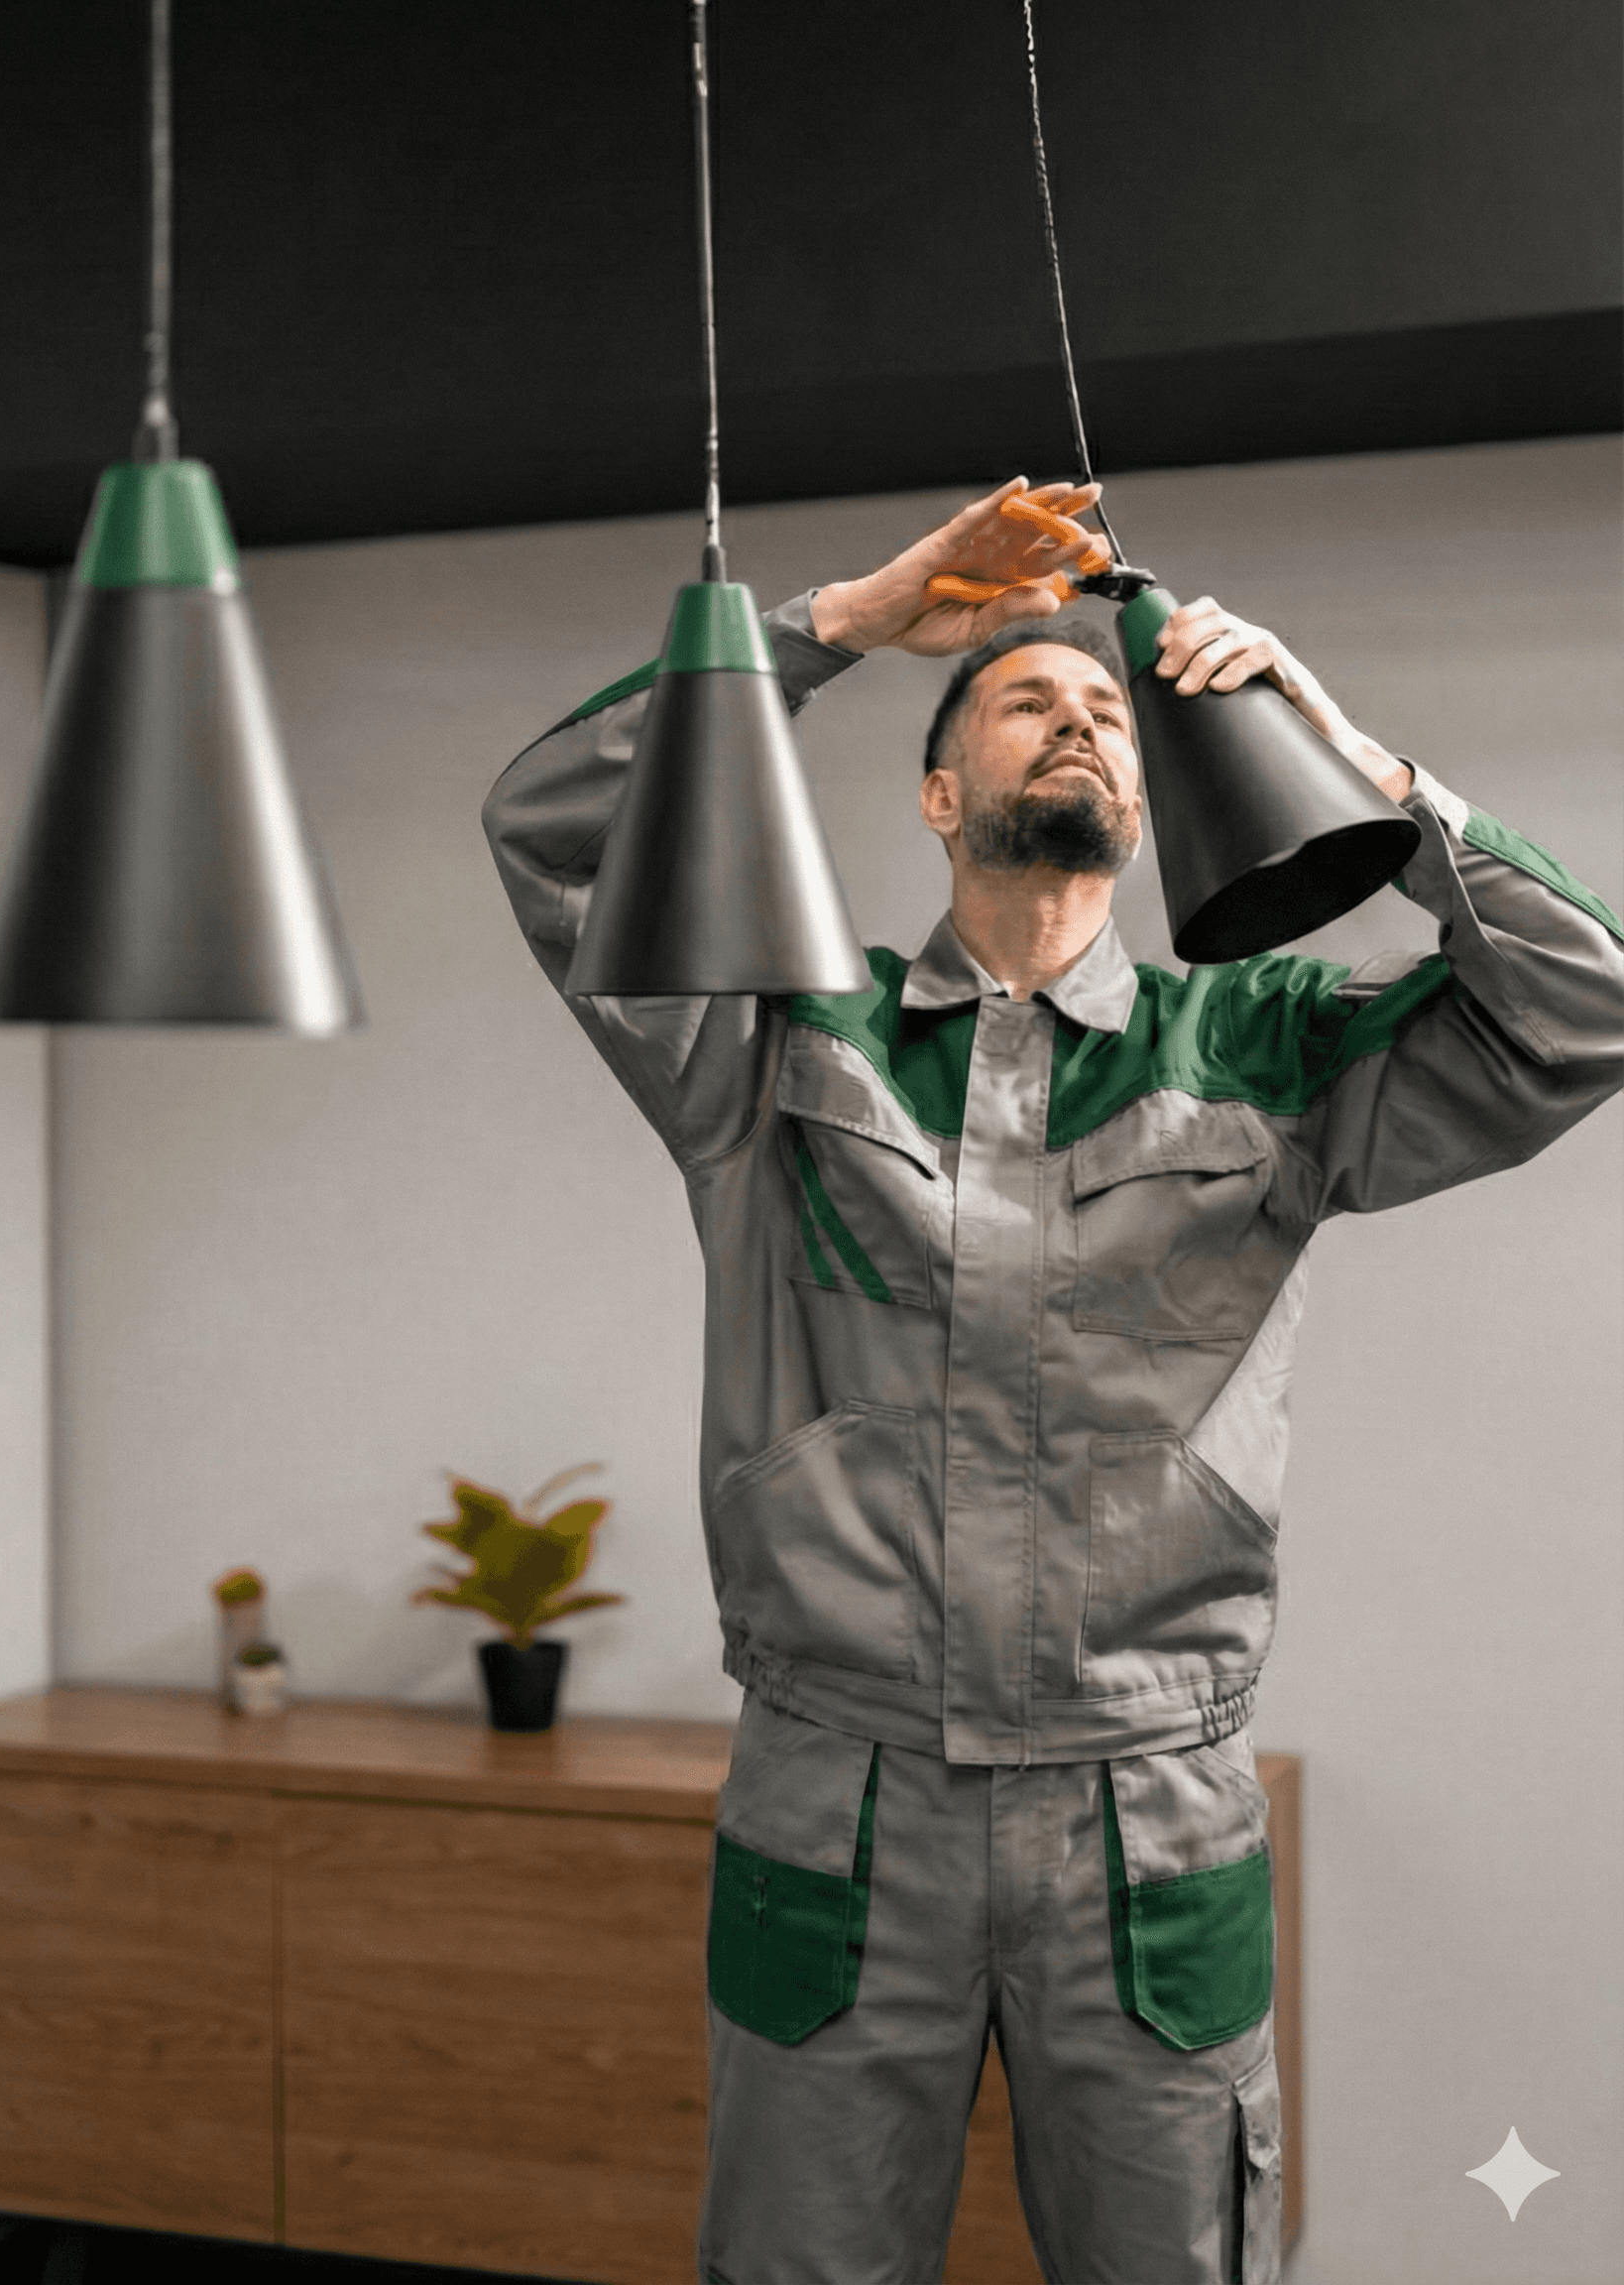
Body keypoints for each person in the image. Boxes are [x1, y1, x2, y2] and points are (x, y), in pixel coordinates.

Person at [481, 478, 1624, 2285]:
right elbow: (552, 839)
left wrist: (1371, 779)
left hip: (1145, 1810)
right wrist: (838, 625)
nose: (1081, 712)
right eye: (1027, 698)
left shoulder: (1263, 1050)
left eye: (1108, 708)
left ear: (1148, 794)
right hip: (839, 1804)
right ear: (942, 794)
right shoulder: (775, 1035)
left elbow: (1588, 1009)